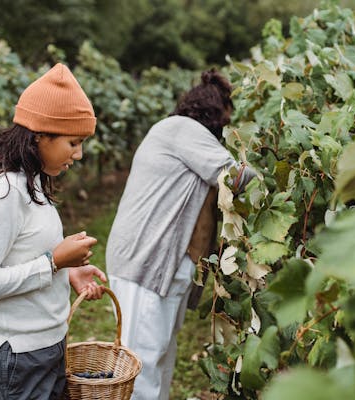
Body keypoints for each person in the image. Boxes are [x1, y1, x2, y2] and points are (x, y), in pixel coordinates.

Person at [0, 63, 107, 399]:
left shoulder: (33, 181)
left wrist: (68, 271)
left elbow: (22, 253)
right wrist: (53, 262)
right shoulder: (5, 193)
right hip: (14, 356)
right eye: (73, 142)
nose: (79, 155)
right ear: (40, 135)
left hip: (44, 346)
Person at [105, 69, 255, 400]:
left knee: (159, 357)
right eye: (226, 118)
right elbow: (235, 177)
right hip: (146, 260)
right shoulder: (182, 130)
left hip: (164, 262)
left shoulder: (178, 132)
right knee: (140, 365)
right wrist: (275, 180)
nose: (228, 127)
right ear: (212, 113)